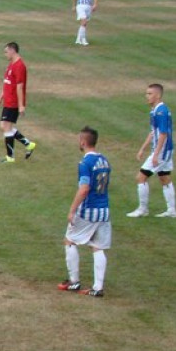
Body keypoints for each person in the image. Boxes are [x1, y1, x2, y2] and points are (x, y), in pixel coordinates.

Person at [57, 126, 111, 297]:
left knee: (69, 240)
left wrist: (72, 211)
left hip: (89, 210)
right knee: (98, 247)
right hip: (104, 210)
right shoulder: (104, 161)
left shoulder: (85, 163)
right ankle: (97, 288)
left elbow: (84, 188)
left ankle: (74, 281)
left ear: (83, 142)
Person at [127, 83, 175, 217]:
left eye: (149, 94)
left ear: (158, 95)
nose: (146, 96)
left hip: (162, 151)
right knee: (164, 178)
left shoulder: (161, 111)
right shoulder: (155, 110)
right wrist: (142, 149)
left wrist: (156, 155)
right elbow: (153, 132)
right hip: (165, 151)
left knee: (141, 177)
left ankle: (143, 209)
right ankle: (172, 211)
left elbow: (164, 134)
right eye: (146, 93)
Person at [0, 41, 37, 163]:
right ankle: (28, 145)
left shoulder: (19, 66)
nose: (5, 54)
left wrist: (21, 105)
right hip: (8, 100)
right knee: (4, 126)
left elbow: (19, 86)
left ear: (13, 50)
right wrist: (0, 97)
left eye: (6, 52)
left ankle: (10, 157)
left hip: (13, 102)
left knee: (6, 127)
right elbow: (7, 82)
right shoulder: (11, 64)